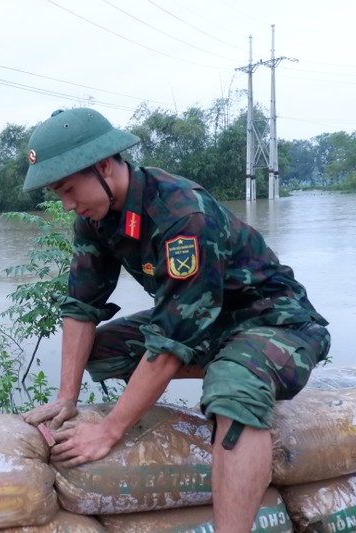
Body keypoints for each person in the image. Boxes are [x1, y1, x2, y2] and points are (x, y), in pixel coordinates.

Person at [20, 108, 330, 533]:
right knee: (103, 353)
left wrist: (110, 430)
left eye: (69, 189)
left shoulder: (183, 216)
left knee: (232, 389)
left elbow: (169, 343)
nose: (68, 204)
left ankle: (240, 382)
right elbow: (81, 307)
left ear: (105, 167)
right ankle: (232, 368)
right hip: (209, 321)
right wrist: (65, 396)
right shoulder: (96, 220)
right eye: (59, 195)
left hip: (274, 322)